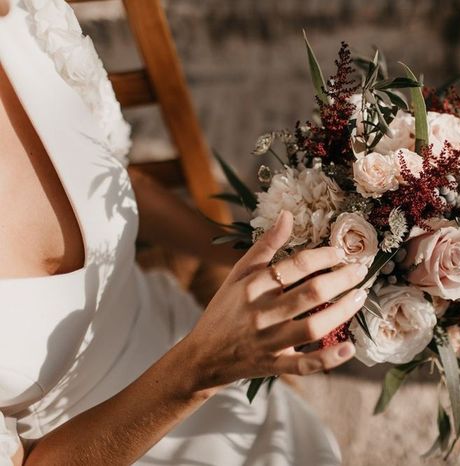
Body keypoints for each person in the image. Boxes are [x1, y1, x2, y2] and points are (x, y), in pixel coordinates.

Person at [0, 0, 364, 464]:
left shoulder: (28, 15)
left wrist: (255, 259)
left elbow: (109, 182)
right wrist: (203, 366)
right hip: (111, 436)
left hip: (186, 340)